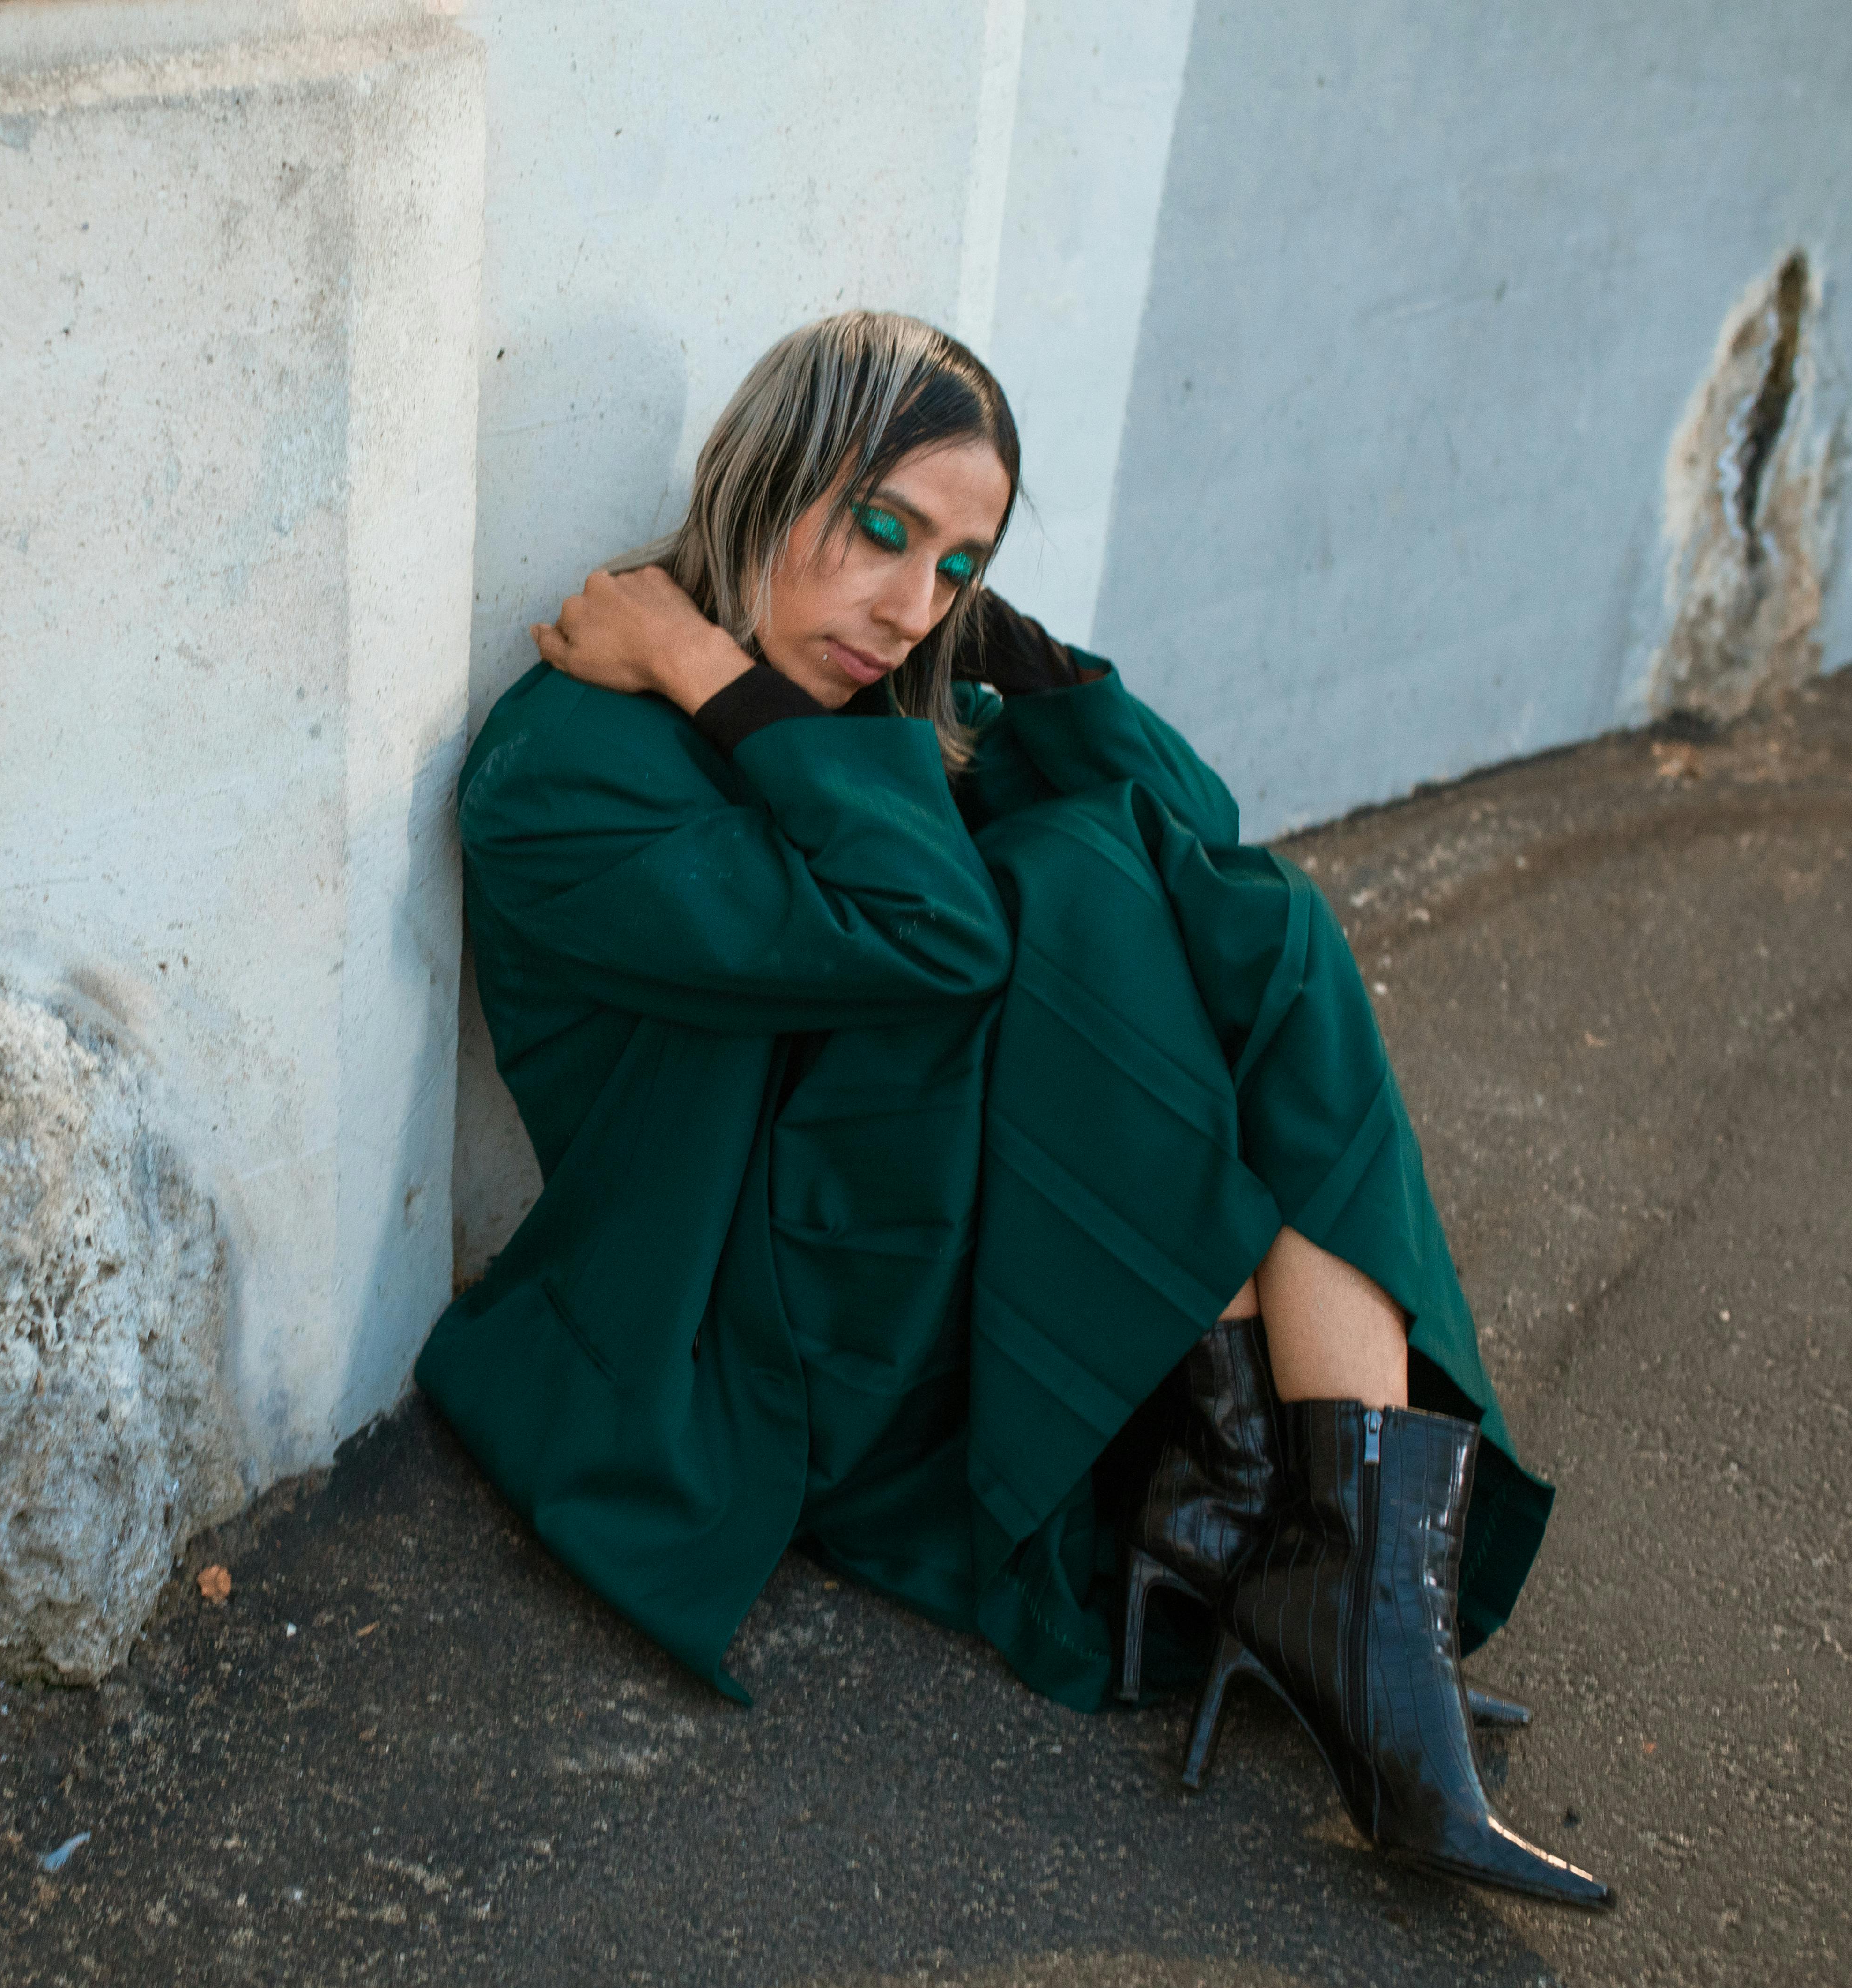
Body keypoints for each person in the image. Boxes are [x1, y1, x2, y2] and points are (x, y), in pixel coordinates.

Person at [416, 310, 1608, 1907]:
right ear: (767, 481)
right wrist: (706, 668)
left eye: (957, 568)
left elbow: (1206, 829)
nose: (907, 608)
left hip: (908, 1239)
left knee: (1237, 917)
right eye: (882, 532)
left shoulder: (848, 682)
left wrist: (986, 637)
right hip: (755, 1325)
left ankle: (1344, 1586)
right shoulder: (569, 768)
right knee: (1063, 892)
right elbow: (935, 932)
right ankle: (1278, 1549)